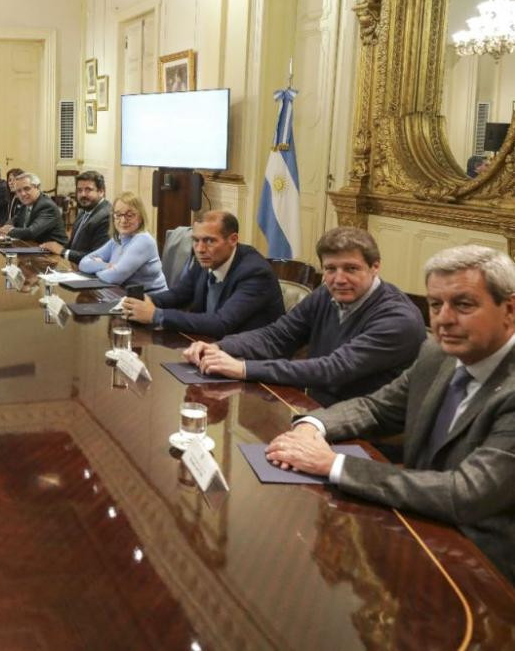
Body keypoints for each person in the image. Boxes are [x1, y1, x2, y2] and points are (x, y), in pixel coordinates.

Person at [265, 245, 515, 583]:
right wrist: (314, 426)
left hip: (485, 565)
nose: (444, 319)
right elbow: (376, 407)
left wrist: (333, 464)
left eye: (464, 304)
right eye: (436, 305)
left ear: (510, 310)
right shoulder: (437, 354)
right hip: (418, 525)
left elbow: (464, 494)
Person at [183, 226, 426, 407]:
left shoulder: (398, 319)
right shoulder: (326, 294)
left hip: (365, 429)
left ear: (375, 267)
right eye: (330, 269)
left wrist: (243, 368)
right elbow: (277, 336)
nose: (339, 279)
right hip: (314, 410)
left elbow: (332, 369)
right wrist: (219, 348)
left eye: (351, 268)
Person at [121, 211, 284, 338]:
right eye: (196, 240)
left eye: (209, 241)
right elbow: (179, 294)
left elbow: (221, 323)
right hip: (212, 347)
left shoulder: (255, 273)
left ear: (233, 240)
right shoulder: (206, 258)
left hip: (251, 360)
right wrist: (146, 301)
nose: (199, 249)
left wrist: (156, 315)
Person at [77, 191, 167, 293]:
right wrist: (107, 266)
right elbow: (83, 263)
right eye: (118, 215)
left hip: (150, 300)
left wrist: (97, 268)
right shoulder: (118, 239)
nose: (123, 220)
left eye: (129, 215)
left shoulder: (143, 240)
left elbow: (114, 277)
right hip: (123, 294)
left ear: (141, 217)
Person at [40, 170, 111, 264]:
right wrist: (53, 248)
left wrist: (62, 251)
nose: (83, 194)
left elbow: (96, 257)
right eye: (79, 190)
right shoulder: (84, 211)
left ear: (101, 191)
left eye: (88, 190)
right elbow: (73, 246)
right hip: (73, 267)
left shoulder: (106, 217)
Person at [0, 172, 68, 244]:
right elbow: (15, 218)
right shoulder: (26, 203)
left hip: (54, 252)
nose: (23, 194)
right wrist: (8, 225)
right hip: (35, 246)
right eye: (19, 191)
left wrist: (9, 231)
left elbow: (31, 232)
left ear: (37, 188)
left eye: (27, 188)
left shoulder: (46, 206)